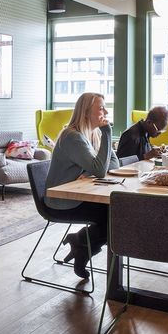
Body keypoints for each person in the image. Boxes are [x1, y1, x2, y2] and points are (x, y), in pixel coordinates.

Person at [45, 92, 120, 279]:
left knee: (117, 212)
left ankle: (81, 243)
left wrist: (88, 171)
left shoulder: (91, 134)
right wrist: (108, 133)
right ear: (86, 112)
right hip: (61, 201)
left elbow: (114, 165)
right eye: (101, 108)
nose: (106, 111)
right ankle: (81, 244)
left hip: (78, 194)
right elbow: (101, 170)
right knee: (114, 216)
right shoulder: (73, 137)